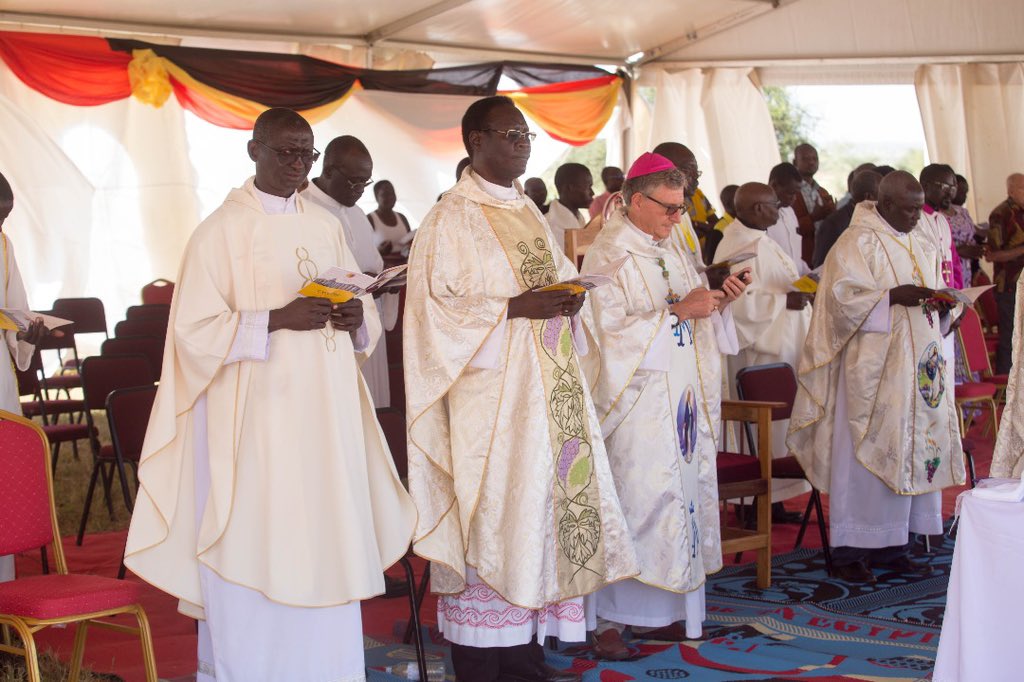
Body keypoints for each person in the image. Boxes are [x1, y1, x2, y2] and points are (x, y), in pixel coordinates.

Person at [124, 108, 417, 682]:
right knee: (258, 539)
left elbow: (359, 330)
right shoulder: (219, 232)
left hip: (325, 414)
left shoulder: (323, 223)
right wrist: (276, 319)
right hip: (256, 418)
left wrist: (356, 316)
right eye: (286, 152)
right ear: (253, 150)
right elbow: (192, 333)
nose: (298, 165)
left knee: (323, 534)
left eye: (306, 154)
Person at [404, 95, 639, 682]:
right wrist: (512, 308)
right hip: (492, 409)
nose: (521, 143)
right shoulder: (449, 217)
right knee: (495, 524)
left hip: (544, 398)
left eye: (525, 134)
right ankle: (484, 665)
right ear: (474, 141)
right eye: (509, 134)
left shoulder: (530, 212)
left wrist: (570, 296)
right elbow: (432, 318)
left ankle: (526, 658)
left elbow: (552, 279)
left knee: (534, 521)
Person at [581, 153, 747, 660]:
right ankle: (612, 618)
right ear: (636, 201)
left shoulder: (668, 248)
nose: (678, 220)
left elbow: (688, 319)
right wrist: (678, 311)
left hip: (680, 400)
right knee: (639, 503)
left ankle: (669, 613)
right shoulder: (608, 254)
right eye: (670, 209)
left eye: (682, 209)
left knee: (681, 504)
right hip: (635, 407)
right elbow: (603, 338)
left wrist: (717, 301)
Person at [788, 171, 965, 584]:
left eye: (918, 209)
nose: (915, 218)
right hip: (873, 373)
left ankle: (896, 543)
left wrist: (945, 308)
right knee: (867, 456)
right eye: (907, 209)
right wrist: (889, 297)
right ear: (884, 204)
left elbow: (936, 287)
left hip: (920, 371)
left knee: (913, 451)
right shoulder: (856, 242)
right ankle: (853, 550)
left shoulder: (918, 238)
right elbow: (836, 303)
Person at [715, 182, 814, 516]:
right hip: (759, 354)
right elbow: (737, 305)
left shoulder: (761, 239)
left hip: (782, 346)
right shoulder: (737, 246)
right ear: (758, 209)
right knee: (764, 429)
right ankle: (753, 504)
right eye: (775, 204)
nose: (779, 209)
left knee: (780, 431)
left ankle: (774, 500)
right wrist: (786, 299)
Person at [303, 135, 397, 407]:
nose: (360, 190)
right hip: (333, 328)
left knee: (372, 406)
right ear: (329, 170)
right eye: (354, 181)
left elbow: (373, 264)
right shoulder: (302, 206)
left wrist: (385, 280)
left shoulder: (357, 213)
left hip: (367, 322)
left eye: (365, 182)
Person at [0, 171, 47, 584]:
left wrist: (28, 331)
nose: (0, 227)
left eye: (5, 217)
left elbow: (15, 308)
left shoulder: (3, 245)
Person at [984, 173, 1024, 374]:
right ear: (1010, 190)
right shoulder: (1000, 214)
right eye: (1022, 188)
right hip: (1008, 286)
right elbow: (992, 255)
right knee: (1009, 338)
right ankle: (1005, 389)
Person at [652, 142, 712, 269]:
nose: (696, 177)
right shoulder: (653, 215)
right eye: (688, 171)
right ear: (664, 172)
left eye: (696, 172)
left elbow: (693, 264)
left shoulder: (682, 209)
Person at [812, 170, 881, 269]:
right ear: (868, 197)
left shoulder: (873, 220)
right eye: (881, 195)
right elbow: (822, 266)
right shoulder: (834, 224)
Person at [791, 144, 836, 265]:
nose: (811, 162)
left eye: (815, 159)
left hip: (824, 257)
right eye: (805, 159)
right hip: (801, 258)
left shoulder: (822, 192)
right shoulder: (790, 194)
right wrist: (813, 217)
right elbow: (789, 230)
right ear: (795, 162)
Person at [919, 164, 961, 289]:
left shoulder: (942, 220)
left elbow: (954, 261)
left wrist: (959, 295)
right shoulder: (915, 220)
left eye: (953, 188)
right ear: (926, 186)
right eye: (945, 187)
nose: (950, 194)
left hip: (949, 298)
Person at [766, 162, 812, 275]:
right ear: (774, 185)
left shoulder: (789, 212)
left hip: (797, 284)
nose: (794, 198)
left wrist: (809, 274)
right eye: (791, 193)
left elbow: (795, 256)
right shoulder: (760, 219)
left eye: (797, 194)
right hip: (776, 287)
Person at [547, 162, 594, 254]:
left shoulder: (579, 218)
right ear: (570, 188)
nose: (592, 193)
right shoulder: (549, 225)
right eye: (588, 187)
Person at [948, 174, 985, 285]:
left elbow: (974, 233)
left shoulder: (963, 212)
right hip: (951, 269)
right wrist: (959, 251)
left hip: (968, 268)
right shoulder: (938, 215)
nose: (964, 196)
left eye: (966, 192)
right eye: (961, 192)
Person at [368, 180, 412, 256]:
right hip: (383, 266)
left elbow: (410, 242)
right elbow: (363, 250)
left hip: (404, 264)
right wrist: (380, 251)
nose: (390, 197)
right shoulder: (370, 219)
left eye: (392, 193)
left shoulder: (402, 217)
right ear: (376, 197)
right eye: (385, 194)